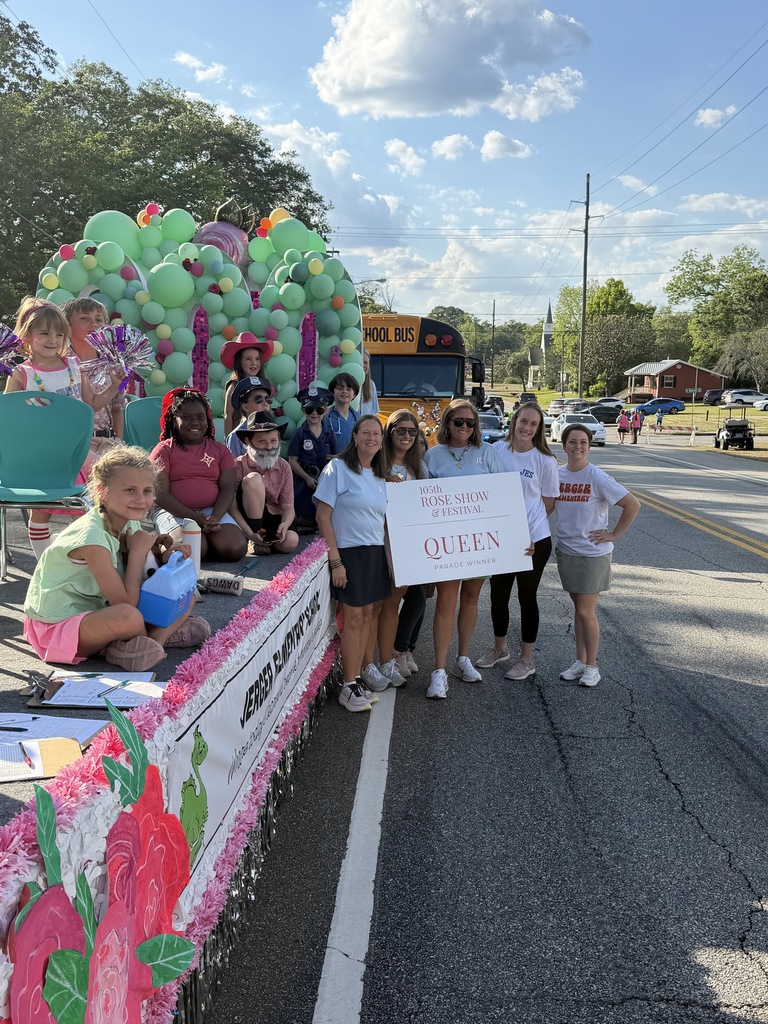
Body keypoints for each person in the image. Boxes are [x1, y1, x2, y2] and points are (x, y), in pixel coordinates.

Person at [23, 446, 210, 672]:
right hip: (59, 626)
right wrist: (138, 552)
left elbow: (140, 574)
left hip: (100, 611)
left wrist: (163, 555)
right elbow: (126, 603)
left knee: (187, 594)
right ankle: (156, 639)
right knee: (128, 616)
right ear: (102, 491)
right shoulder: (91, 538)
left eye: (147, 491)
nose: (141, 500)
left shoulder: (128, 520)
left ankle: (147, 643)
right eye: (130, 490)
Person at [4, 298, 124, 559]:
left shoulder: (74, 367)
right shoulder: (21, 373)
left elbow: (91, 405)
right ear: (27, 336)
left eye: (59, 334)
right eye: (44, 333)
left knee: (92, 498)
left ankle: (82, 558)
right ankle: (44, 567)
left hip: (74, 451)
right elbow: (8, 417)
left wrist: (114, 386)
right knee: (41, 511)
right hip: (38, 455)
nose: (53, 340)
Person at [422, 399, 506, 699]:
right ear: (448, 423)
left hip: (479, 541)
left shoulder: (488, 452)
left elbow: (504, 493)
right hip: (446, 543)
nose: (465, 427)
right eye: (459, 421)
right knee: (446, 601)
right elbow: (421, 499)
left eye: (470, 423)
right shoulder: (433, 455)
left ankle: (462, 658)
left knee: (471, 599)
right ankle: (439, 670)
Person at [314, 415, 391, 713]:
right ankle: (347, 686)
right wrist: (336, 562)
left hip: (374, 553)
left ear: (381, 441)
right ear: (355, 437)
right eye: (366, 433)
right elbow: (323, 515)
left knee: (368, 616)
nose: (371, 438)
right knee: (355, 619)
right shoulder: (337, 468)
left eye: (376, 434)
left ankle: (356, 679)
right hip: (349, 554)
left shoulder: (381, 477)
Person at [555, 423, 640, 687]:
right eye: (572, 441)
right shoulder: (557, 475)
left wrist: (614, 534)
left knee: (585, 611)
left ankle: (592, 666)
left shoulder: (597, 477)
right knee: (578, 610)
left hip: (592, 555)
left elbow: (632, 504)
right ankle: (580, 661)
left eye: (583, 442)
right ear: (564, 445)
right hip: (567, 551)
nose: (577, 447)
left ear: (589, 446)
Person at [478, 402, 558, 680]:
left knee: (526, 597)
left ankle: (526, 659)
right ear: (514, 421)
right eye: (523, 421)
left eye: (533, 424)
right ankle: (500, 648)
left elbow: (548, 503)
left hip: (533, 540)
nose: (527, 428)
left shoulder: (545, 460)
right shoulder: (497, 450)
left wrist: (527, 533)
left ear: (539, 429)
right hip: (502, 538)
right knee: (498, 596)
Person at [151, 388, 248, 562]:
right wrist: (195, 518)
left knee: (236, 548)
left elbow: (227, 488)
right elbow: (160, 495)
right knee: (192, 550)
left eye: (200, 417)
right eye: (186, 417)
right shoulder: (164, 450)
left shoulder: (220, 450)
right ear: (174, 419)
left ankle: (208, 542)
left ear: (207, 419)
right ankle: (188, 545)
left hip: (211, 511)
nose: (195, 422)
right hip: (173, 512)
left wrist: (215, 517)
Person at [373, 409, 429, 684]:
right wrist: (386, 484)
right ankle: (386, 658)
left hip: (412, 542)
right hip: (383, 540)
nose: (407, 436)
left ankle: (398, 653)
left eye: (412, 431)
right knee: (386, 603)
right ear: (390, 432)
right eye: (401, 430)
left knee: (413, 597)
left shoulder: (419, 467)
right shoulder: (378, 464)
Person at [230, 412, 299, 555]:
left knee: (291, 542)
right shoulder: (237, 465)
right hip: (246, 520)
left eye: (273, 441)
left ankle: (267, 542)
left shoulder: (284, 466)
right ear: (247, 442)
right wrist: (250, 534)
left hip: (273, 516)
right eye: (261, 441)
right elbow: (232, 508)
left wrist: (285, 524)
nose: (269, 447)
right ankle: (254, 539)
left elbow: (288, 506)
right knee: (254, 479)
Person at [63, 297, 127, 442]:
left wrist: (119, 440)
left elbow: (117, 408)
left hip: (107, 441)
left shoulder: (113, 364)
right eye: (84, 318)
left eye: (99, 320)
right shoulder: (60, 363)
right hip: (72, 441)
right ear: (68, 326)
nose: (93, 324)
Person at [287, 385, 337, 529]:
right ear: (303, 410)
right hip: (305, 483)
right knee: (305, 518)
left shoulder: (329, 433)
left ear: (325, 410)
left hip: (325, 480)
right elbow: (292, 460)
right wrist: (307, 477)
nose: (314, 413)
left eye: (319, 410)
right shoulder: (299, 434)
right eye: (309, 409)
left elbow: (336, 457)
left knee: (324, 515)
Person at [221, 332, 274, 435]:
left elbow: (268, 412)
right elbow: (228, 416)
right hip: (240, 437)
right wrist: (228, 440)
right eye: (248, 359)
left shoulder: (265, 384)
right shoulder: (234, 385)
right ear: (239, 362)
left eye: (257, 359)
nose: (254, 363)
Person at [224, 376, 274, 457]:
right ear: (245, 407)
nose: (265, 403)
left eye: (268, 399)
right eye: (259, 399)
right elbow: (234, 463)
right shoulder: (236, 436)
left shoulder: (273, 430)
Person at [327, 372, 360, 450]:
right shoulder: (325, 417)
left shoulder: (358, 418)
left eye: (348, 389)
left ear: (354, 394)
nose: (344, 391)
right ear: (332, 392)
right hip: (332, 457)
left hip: (352, 457)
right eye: (340, 389)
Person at [359, 350, 380, 416]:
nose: (363, 365)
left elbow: (374, 413)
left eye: (365, 362)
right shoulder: (347, 385)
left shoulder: (371, 385)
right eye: (360, 362)